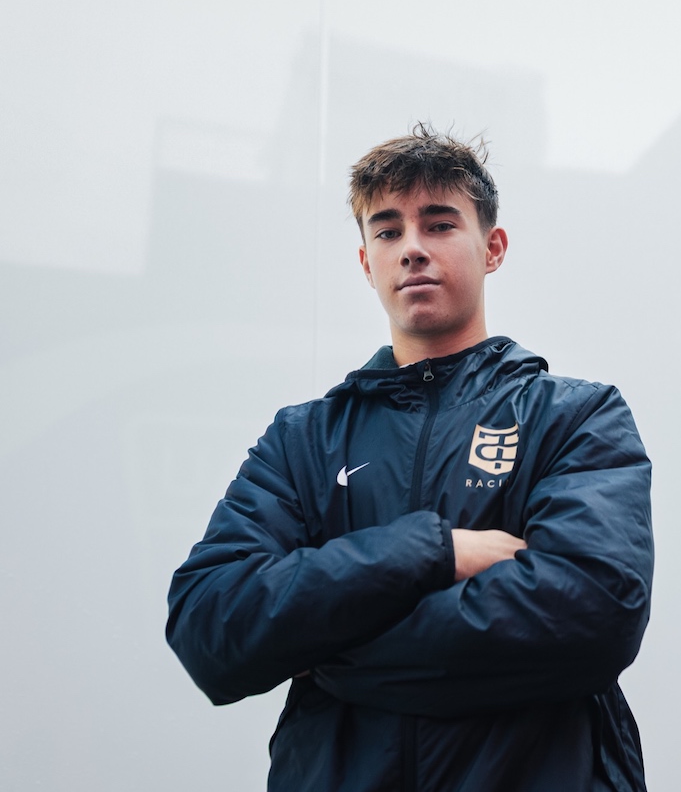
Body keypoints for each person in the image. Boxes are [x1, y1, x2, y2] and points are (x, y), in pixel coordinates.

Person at [166, 124, 654, 791]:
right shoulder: (302, 440)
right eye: (389, 230)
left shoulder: (573, 414)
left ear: (493, 248)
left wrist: (326, 645)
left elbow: (592, 614)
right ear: (367, 262)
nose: (413, 248)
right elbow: (210, 624)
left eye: (440, 224)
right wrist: (434, 550)